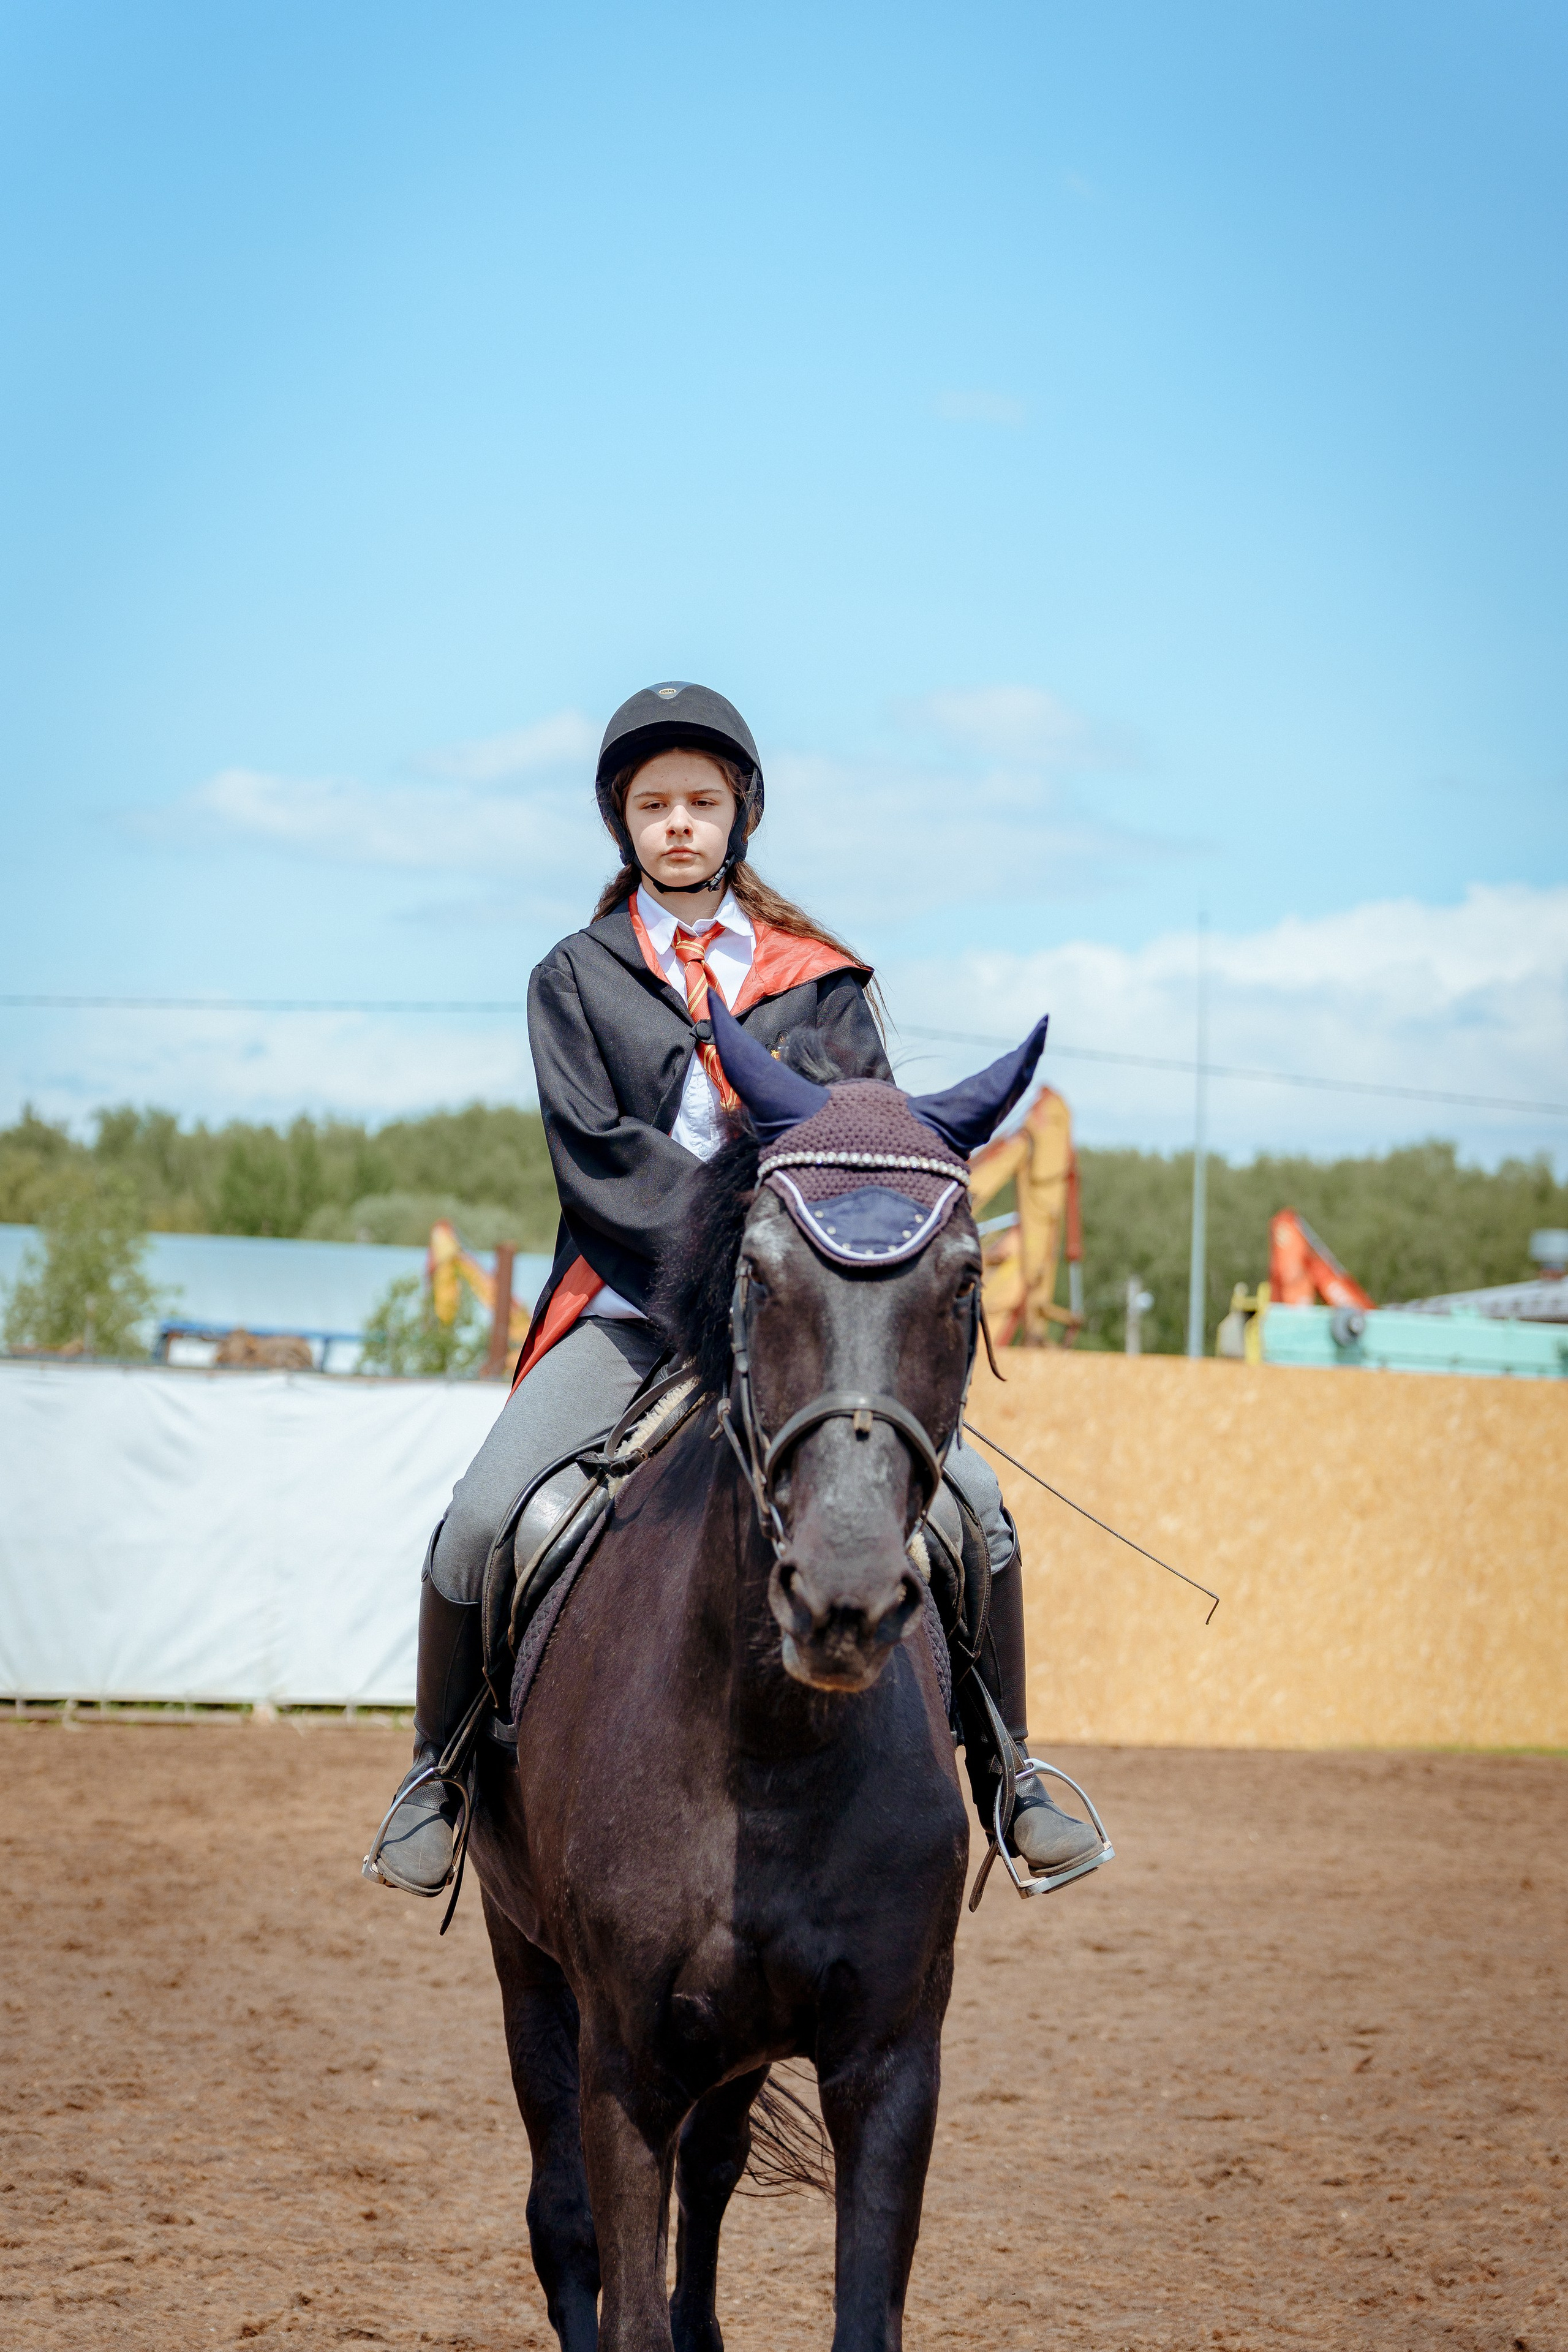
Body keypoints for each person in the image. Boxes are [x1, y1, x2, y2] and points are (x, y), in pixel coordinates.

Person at [373, 681, 1102, 1895]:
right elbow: (597, 1161)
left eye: (698, 803)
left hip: (807, 1323)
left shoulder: (821, 981)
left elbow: (870, 1154)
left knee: (976, 1518)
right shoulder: (574, 978)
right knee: (481, 1521)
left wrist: (791, 1277)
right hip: (630, 1316)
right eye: (651, 805)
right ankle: (433, 1779)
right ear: (623, 825)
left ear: (738, 816)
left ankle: (1010, 1774)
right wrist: (723, 1258)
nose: (675, 825)